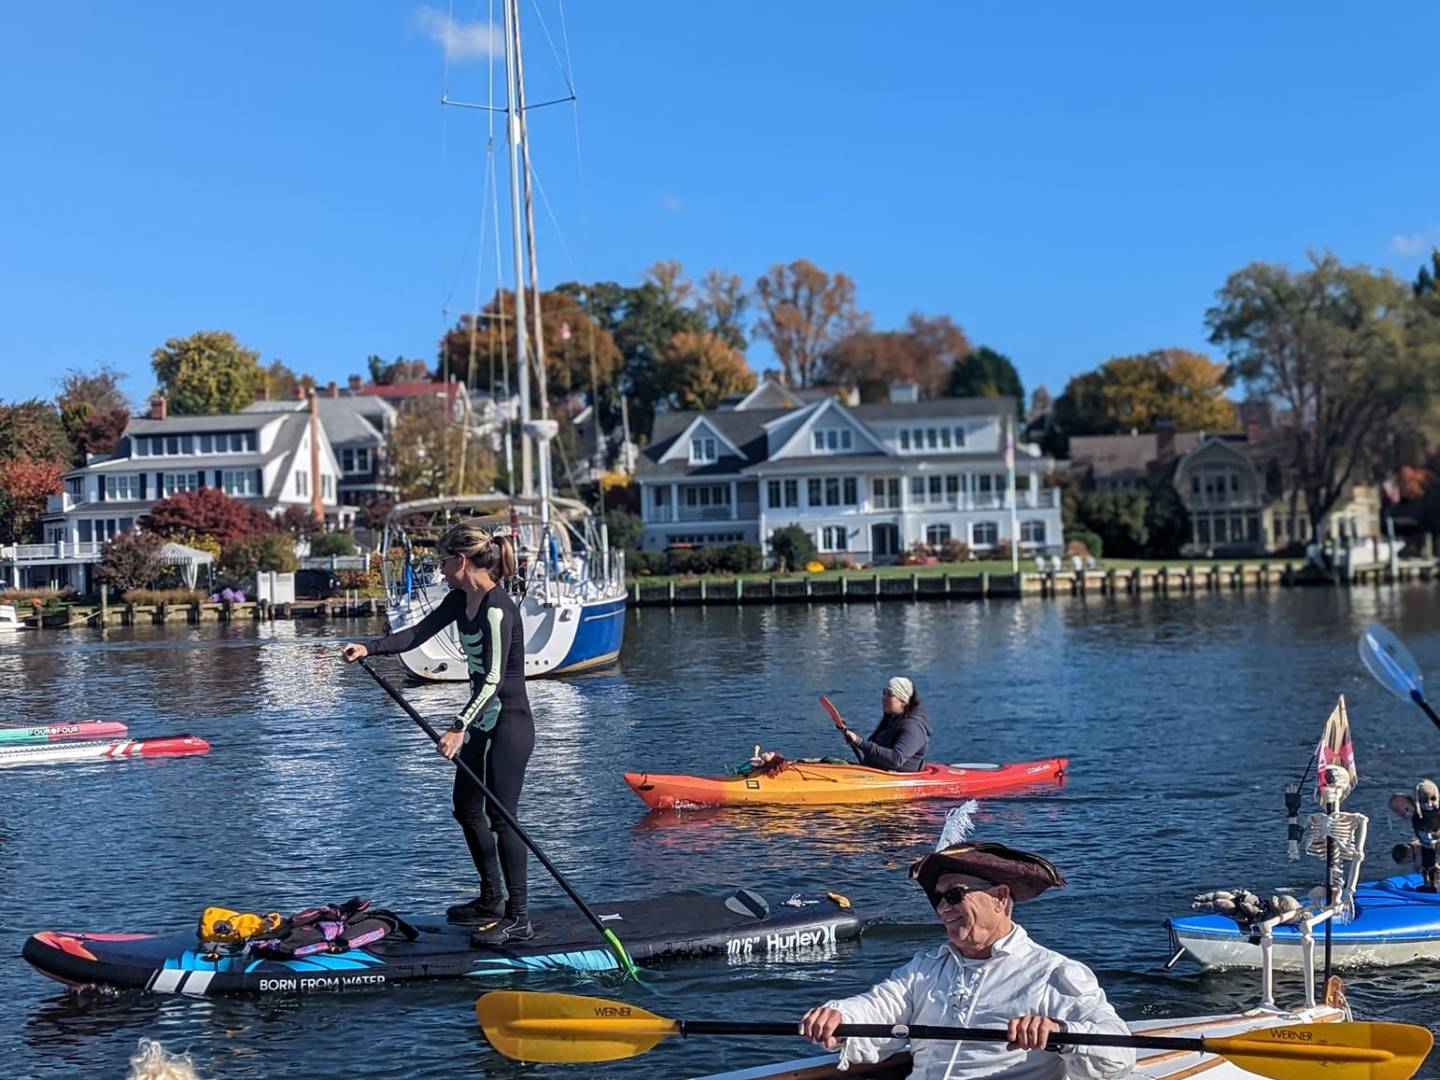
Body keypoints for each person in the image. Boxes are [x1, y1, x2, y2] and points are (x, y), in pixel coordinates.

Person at [342, 524, 535, 946]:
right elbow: (416, 635)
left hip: (510, 725)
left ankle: (519, 917)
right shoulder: (459, 600)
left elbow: (495, 680)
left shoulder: (498, 609)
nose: (441, 569)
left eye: (443, 561)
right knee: (466, 809)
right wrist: (370, 648)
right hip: (482, 722)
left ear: (460, 561)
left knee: (503, 820)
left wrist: (457, 727)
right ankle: (491, 900)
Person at [799, 841, 1134, 1079]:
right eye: (938, 899)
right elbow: (877, 1007)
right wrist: (839, 1016)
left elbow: (1119, 1052)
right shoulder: (924, 969)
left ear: (1000, 899)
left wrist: (1060, 1032)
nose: (944, 908)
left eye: (955, 894)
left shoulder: (1053, 974)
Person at [843, 677, 931, 771]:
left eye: (890, 694)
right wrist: (855, 742)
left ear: (903, 701)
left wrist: (860, 742)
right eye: (884, 693)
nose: (884, 698)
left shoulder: (914, 727)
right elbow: (874, 750)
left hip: (896, 778)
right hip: (875, 773)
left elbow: (896, 759)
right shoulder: (891, 720)